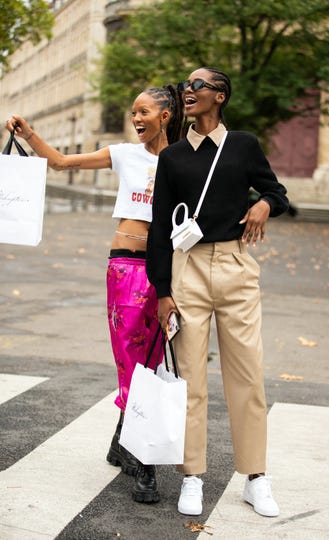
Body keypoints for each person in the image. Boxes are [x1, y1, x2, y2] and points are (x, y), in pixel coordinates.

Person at [5, 84, 183, 504]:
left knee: (152, 361)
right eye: (132, 112)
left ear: (166, 115)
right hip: (124, 267)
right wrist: (29, 136)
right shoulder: (124, 153)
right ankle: (142, 459)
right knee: (130, 360)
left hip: (168, 271)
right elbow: (63, 163)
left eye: (144, 112)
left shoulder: (182, 161)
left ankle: (125, 440)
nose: (136, 118)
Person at [146, 67, 289, 517]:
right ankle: (192, 476)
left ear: (220, 96)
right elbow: (158, 227)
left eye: (198, 86)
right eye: (186, 86)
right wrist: (162, 289)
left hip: (235, 266)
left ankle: (256, 477)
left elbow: (276, 190)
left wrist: (264, 203)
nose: (188, 91)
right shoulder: (171, 158)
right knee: (189, 377)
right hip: (186, 269)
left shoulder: (242, 145)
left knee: (247, 374)